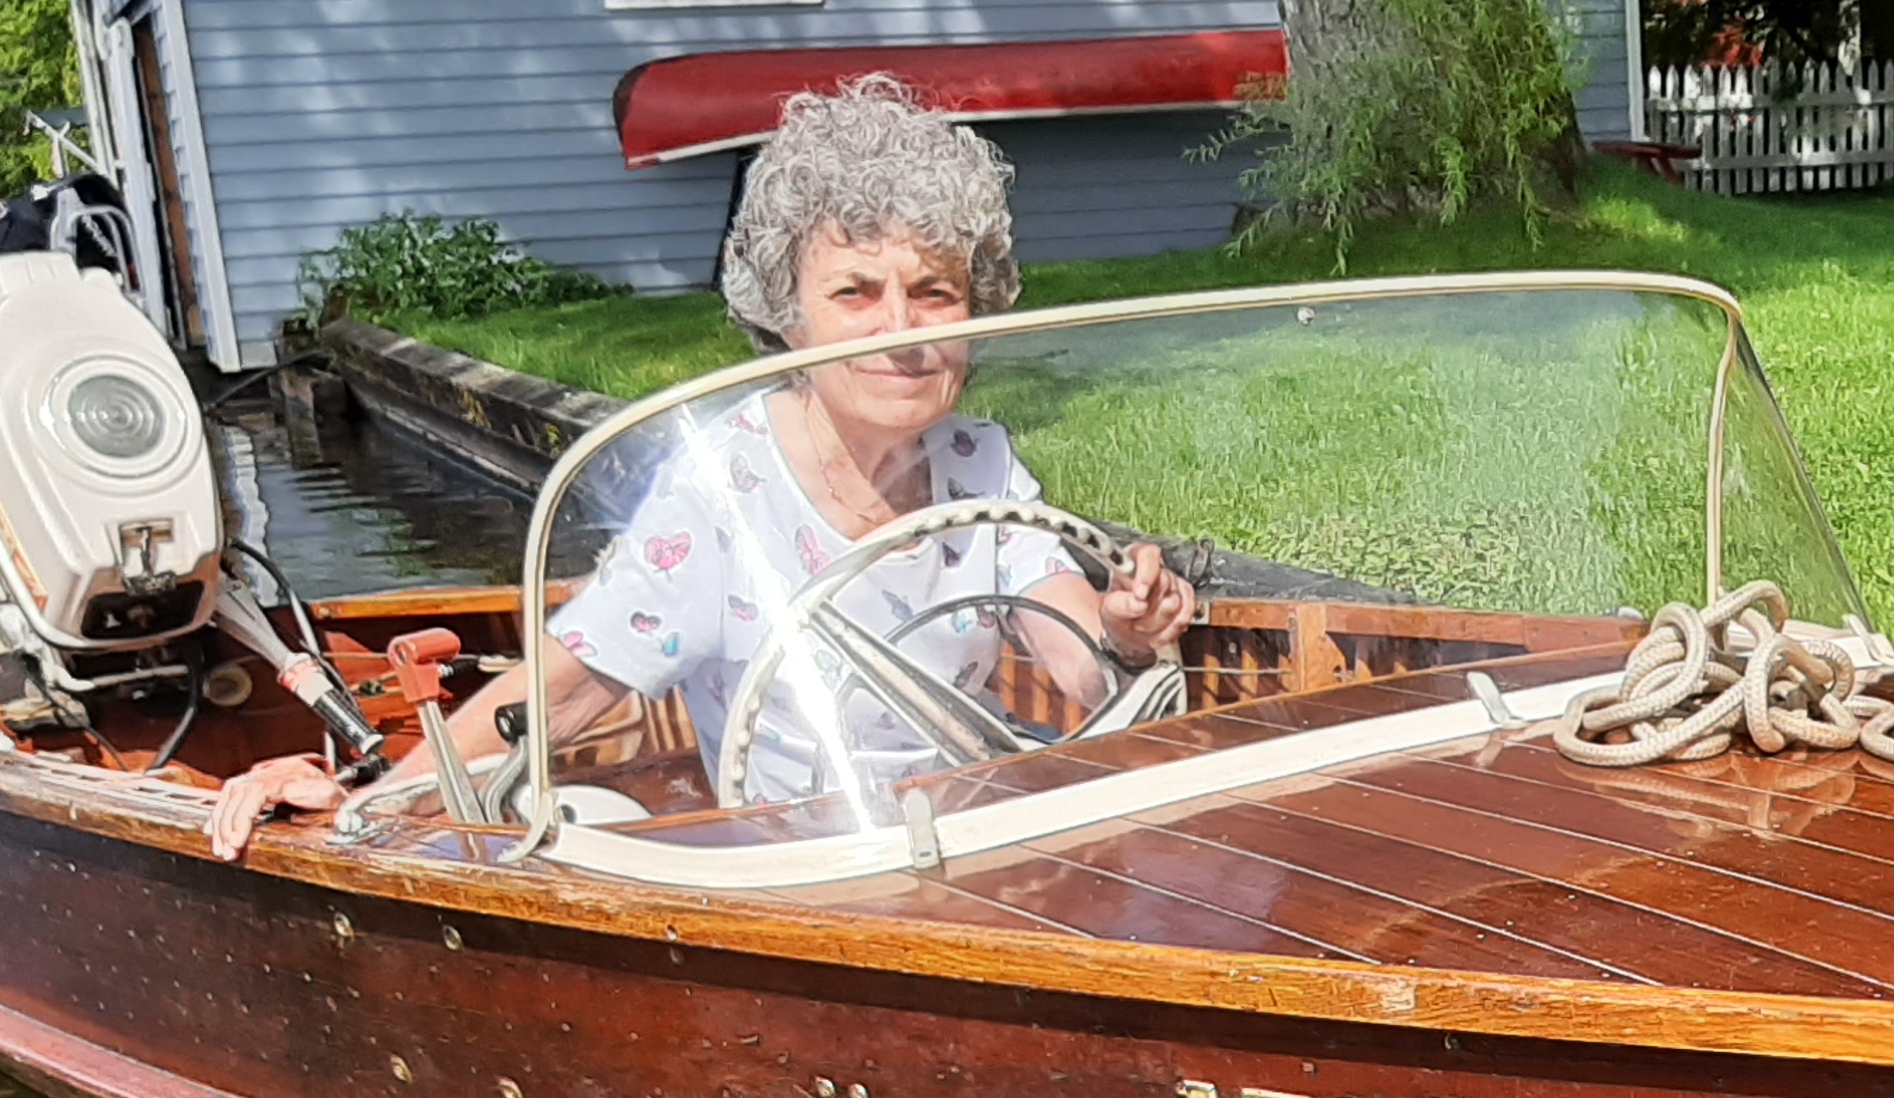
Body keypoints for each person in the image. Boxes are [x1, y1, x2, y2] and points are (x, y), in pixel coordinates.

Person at [208, 78, 1194, 860]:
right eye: (856, 293)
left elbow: (1067, 642)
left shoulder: (979, 464)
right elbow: (566, 694)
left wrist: (1123, 627)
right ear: (785, 316)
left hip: (977, 840)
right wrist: (369, 801)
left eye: (934, 293)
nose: (902, 334)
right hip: (797, 871)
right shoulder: (724, 493)